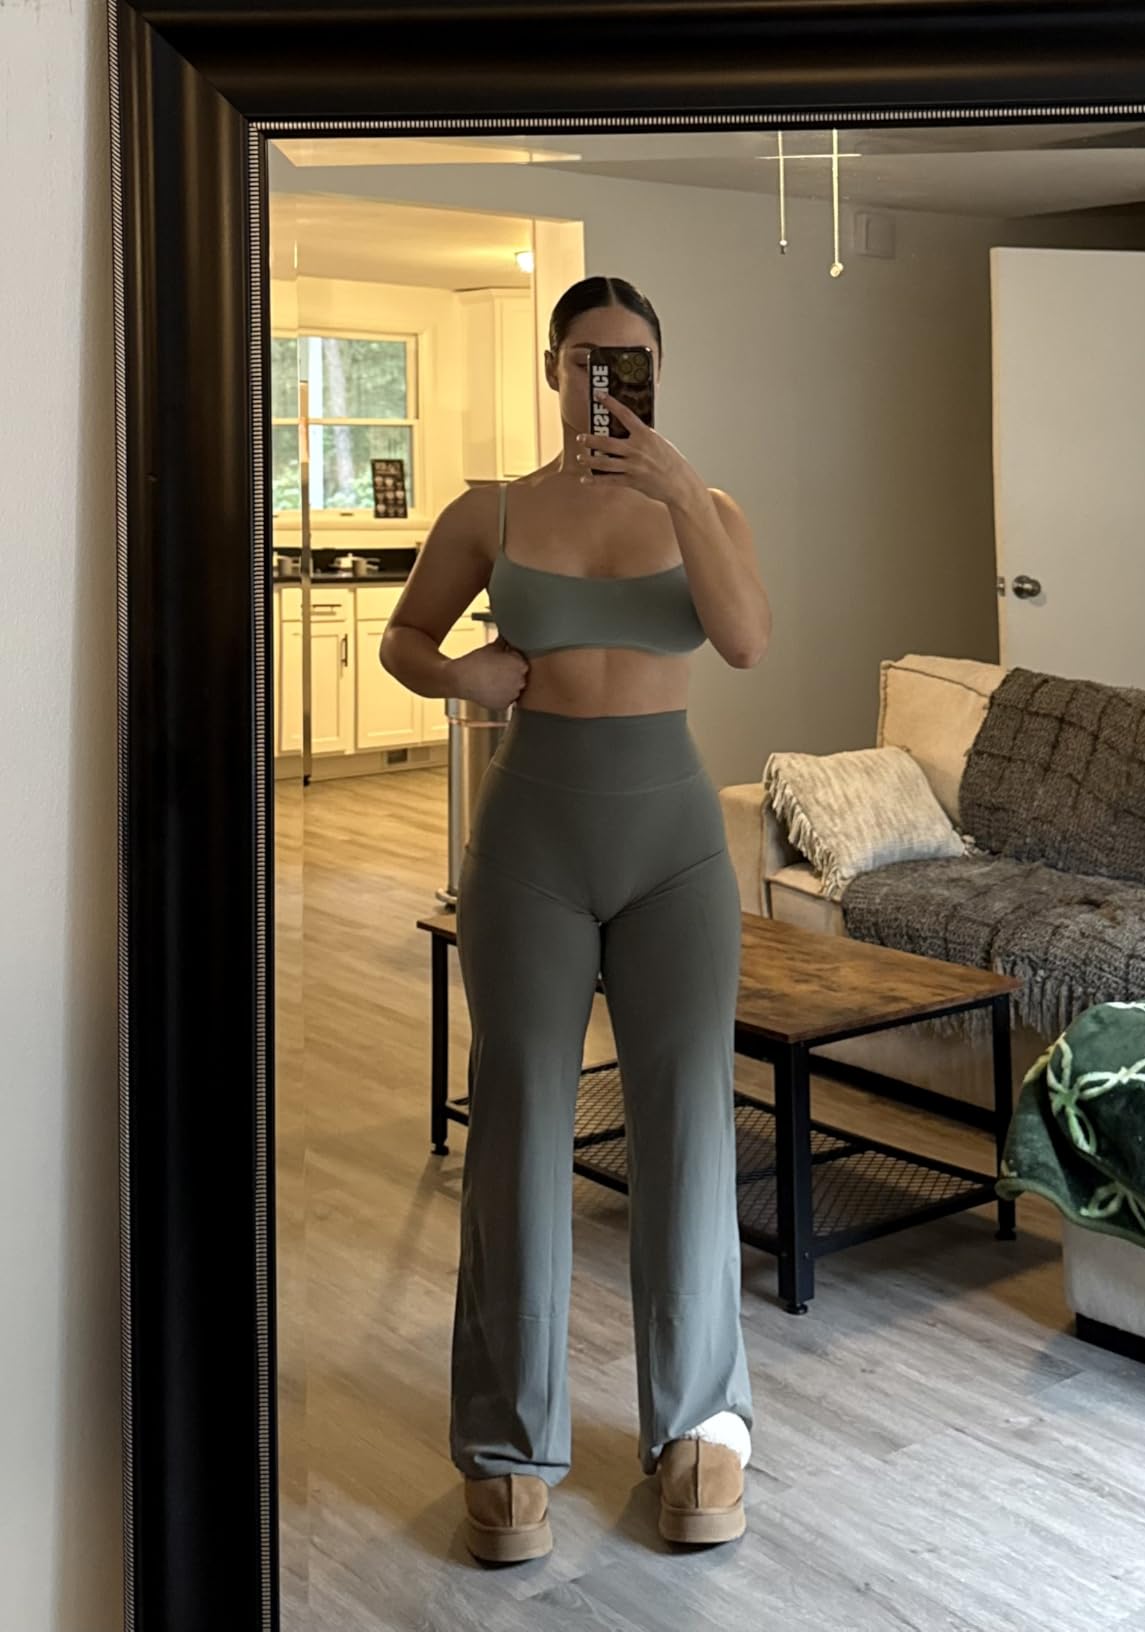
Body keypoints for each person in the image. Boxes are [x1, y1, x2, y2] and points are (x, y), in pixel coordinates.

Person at [380, 275, 771, 1564]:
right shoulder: (488, 511)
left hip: (674, 851)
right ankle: (506, 1443)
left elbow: (747, 642)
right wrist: (458, 673)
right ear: (553, 369)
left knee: (689, 1120)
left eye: (634, 360)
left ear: (660, 369)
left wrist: (678, 491)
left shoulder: (708, 506)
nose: (609, 380)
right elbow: (404, 638)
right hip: (531, 842)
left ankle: (702, 1421)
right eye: (589, 359)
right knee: (518, 1122)